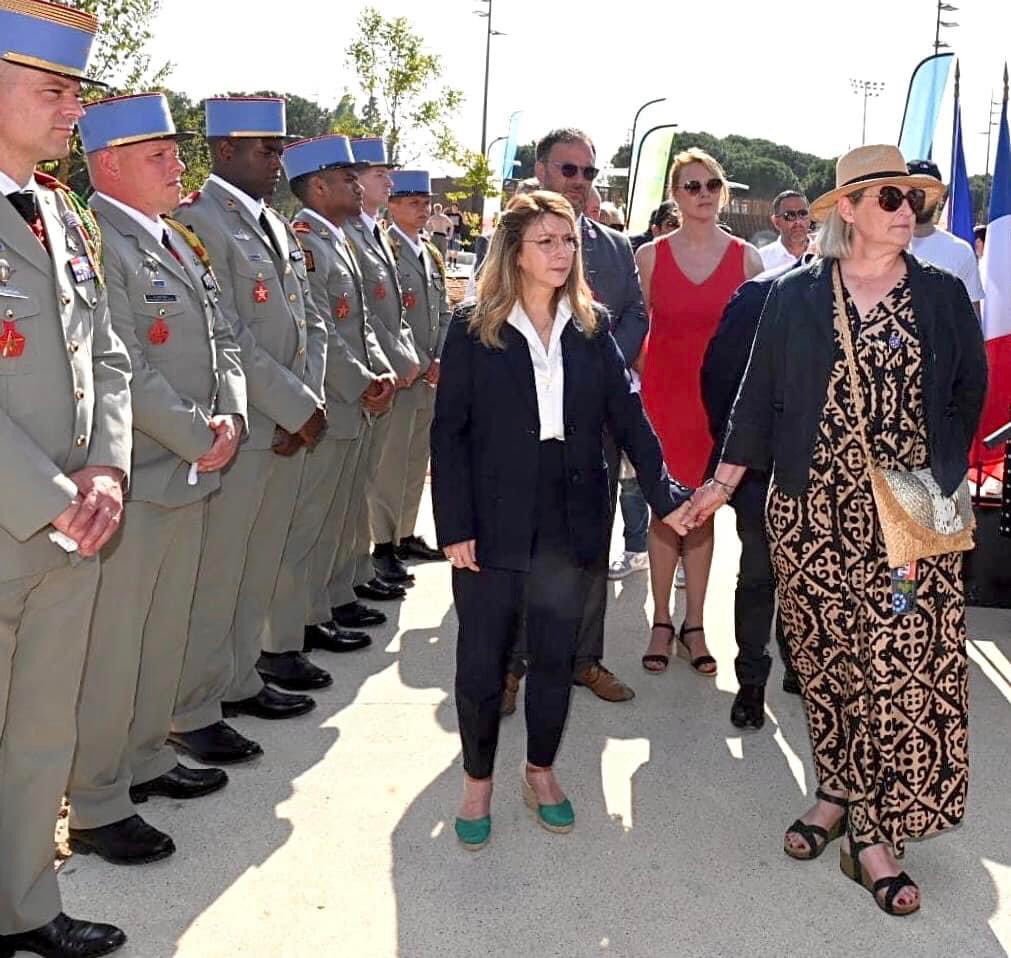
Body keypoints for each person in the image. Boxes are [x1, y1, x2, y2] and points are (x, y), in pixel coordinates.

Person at [683, 144, 986, 916]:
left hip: (913, 509)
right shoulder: (790, 298)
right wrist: (718, 485)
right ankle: (838, 789)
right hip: (811, 510)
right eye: (888, 197)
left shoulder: (943, 294)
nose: (905, 210)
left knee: (898, 667)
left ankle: (872, 839)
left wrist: (939, 484)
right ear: (845, 209)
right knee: (825, 664)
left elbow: (964, 395)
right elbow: (754, 401)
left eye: (911, 198)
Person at [431, 190, 691, 849]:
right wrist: (454, 525)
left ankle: (540, 771)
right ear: (513, 251)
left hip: (571, 508)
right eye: (545, 241)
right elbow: (449, 435)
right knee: (482, 659)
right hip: (491, 513)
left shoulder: (591, 324)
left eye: (569, 241)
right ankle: (477, 783)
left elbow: (627, 418)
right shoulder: (471, 328)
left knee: (553, 654)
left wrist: (666, 496)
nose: (561, 252)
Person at [68, 94, 246, 867]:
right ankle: (99, 802)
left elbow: (223, 335)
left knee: (161, 635)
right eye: (160, 155)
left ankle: (144, 758)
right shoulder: (96, 242)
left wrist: (231, 417)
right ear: (108, 165)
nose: (181, 167)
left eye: (177, 153)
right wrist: (193, 432)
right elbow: (121, 363)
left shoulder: (177, 241)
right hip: (139, 476)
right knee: (116, 648)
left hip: (190, 468)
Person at [0, 4, 133, 954]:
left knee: (40, 737)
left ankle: (25, 909)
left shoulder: (60, 211)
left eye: (77, 92)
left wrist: (111, 473)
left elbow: (110, 355)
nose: (73, 110)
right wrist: (58, 498)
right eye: (54, 90)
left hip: (72, 529)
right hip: (22, 517)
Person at [169, 96, 328, 764]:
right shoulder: (197, 223)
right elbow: (225, 333)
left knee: (254, 569)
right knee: (218, 578)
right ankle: (193, 710)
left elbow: (308, 320)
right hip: (243, 429)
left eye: (280, 147)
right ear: (224, 151)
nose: (278, 160)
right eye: (267, 149)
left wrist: (307, 402)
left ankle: (237, 681)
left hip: (284, 426)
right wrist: (295, 407)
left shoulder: (274, 224)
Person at [257, 135, 392, 685]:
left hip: (350, 401)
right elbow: (322, 334)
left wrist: (377, 371)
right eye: (345, 178)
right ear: (317, 187)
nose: (358, 186)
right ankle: (286, 639)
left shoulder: (338, 240)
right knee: (305, 528)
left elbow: (359, 326)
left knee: (335, 519)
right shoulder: (308, 240)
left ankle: (321, 611)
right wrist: (361, 381)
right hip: (328, 402)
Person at [530, 126, 649, 703]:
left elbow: (634, 316)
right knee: (522, 545)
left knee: (590, 542)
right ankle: (513, 663)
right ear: (542, 171)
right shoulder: (510, 240)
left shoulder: (614, 247)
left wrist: (598, 369)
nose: (580, 183)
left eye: (588, 173)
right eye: (568, 170)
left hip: (593, 424)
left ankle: (586, 658)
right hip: (524, 424)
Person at [637, 147, 762, 676]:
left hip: (717, 409)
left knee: (703, 511)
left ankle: (695, 623)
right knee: (664, 511)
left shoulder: (748, 261)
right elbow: (634, 334)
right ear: (675, 194)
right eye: (692, 186)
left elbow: (755, 347)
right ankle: (660, 620)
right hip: (662, 400)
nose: (704, 194)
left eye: (712, 184)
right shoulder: (648, 257)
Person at [701, 261, 804, 728]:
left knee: (808, 580)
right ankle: (751, 682)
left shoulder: (874, 296)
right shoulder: (760, 295)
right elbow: (719, 378)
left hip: (830, 475)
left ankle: (799, 666)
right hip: (761, 470)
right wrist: (739, 449)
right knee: (760, 576)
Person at [344, 136, 421, 597]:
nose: (388, 182)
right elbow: (359, 317)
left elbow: (398, 311)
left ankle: (369, 562)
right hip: (368, 375)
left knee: (385, 471)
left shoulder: (373, 233)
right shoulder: (343, 234)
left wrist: (409, 358)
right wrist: (398, 362)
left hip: (394, 370)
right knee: (368, 480)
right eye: (379, 174)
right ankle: (368, 560)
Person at [375, 170, 451, 567]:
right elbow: (385, 317)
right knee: (391, 462)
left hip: (429, 377)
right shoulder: (384, 250)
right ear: (392, 205)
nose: (423, 210)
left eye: (425, 203)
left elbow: (443, 312)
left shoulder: (430, 252)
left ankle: (405, 534)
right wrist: (420, 361)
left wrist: (440, 357)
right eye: (413, 203)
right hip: (402, 374)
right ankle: (383, 544)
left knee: (415, 460)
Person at [907, 159, 984, 317]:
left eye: (929, 190)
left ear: (941, 197)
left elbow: (972, 321)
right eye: (915, 190)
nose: (922, 197)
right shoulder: (882, 247)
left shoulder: (960, 252)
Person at [758, 190, 811, 272]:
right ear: (776, 222)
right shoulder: (761, 260)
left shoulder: (824, 255)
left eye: (803, 214)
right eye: (789, 215)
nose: (798, 221)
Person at [446, 202, 465, 269]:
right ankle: (449, 263)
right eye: (452, 207)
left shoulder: (459, 215)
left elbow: (465, 222)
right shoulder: (448, 214)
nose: (453, 208)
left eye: (455, 207)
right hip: (449, 233)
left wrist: (462, 215)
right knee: (449, 249)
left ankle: (454, 263)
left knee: (456, 249)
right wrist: (443, 211)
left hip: (457, 233)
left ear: (457, 208)